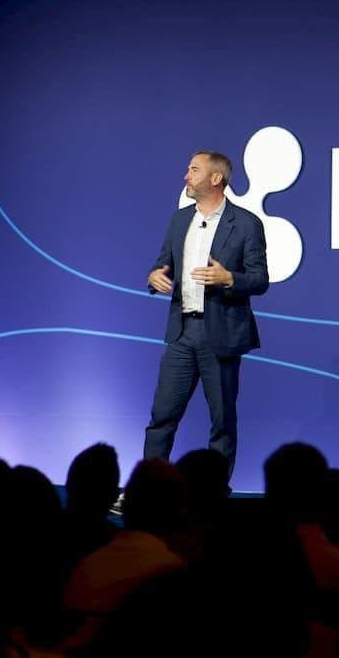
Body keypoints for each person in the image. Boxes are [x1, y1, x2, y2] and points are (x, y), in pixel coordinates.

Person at [144, 150, 269, 480]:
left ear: (216, 178)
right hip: (182, 333)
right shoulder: (179, 220)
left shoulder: (246, 224)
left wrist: (229, 278)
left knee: (222, 422)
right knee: (162, 417)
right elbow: (163, 264)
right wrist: (154, 277)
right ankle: (150, 487)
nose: (186, 175)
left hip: (221, 335)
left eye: (194, 170)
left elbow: (260, 279)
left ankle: (214, 493)